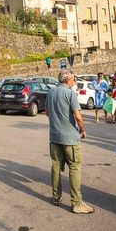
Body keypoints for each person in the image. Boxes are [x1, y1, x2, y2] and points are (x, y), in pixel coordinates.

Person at [45, 71, 94, 214]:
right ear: (67, 80)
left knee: (55, 166)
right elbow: (78, 116)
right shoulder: (70, 93)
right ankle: (77, 203)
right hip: (70, 138)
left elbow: (47, 113)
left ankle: (56, 197)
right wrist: (83, 129)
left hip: (54, 136)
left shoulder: (51, 92)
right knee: (74, 168)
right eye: (74, 79)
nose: (75, 81)